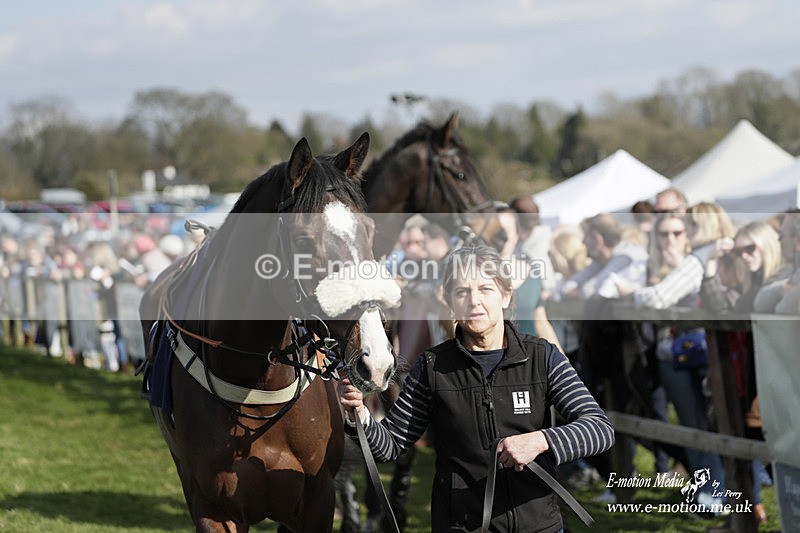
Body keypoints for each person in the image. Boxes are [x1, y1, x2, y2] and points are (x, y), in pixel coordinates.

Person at [339, 245, 614, 532]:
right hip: (462, 526)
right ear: (449, 301)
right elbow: (389, 445)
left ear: (505, 295)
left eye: (485, 289)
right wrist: (360, 416)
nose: (474, 301)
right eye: (462, 292)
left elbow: (599, 429)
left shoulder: (542, 357)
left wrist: (540, 441)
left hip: (539, 525)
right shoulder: (432, 368)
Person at [617, 213, 727, 509]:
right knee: (690, 424)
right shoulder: (650, 267)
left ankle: (715, 493)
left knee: (713, 423)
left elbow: (659, 298)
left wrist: (635, 293)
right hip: (668, 356)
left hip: (703, 354)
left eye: (677, 232)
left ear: (689, 234)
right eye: (663, 234)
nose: (670, 240)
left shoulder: (695, 264)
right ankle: (706, 488)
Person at [558, 213, 648, 300]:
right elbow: (570, 285)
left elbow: (594, 290)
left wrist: (576, 293)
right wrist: (571, 290)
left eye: (586, 236)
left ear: (598, 239)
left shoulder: (626, 256)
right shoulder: (600, 261)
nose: (583, 242)